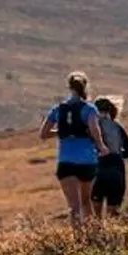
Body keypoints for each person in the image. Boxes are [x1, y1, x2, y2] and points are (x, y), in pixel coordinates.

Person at [39, 71, 109, 231]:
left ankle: (78, 239)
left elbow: (43, 134)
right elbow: (94, 130)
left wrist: (64, 132)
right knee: (86, 201)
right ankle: (93, 235)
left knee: (74, 205)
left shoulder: (58, 109)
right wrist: (101, 146)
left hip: (66, 161)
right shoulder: (89, 109)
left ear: (69, 88)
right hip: (87, 160)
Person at [89, 95, 128, 221]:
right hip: (117, 168)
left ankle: (96, 237)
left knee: (96, 217)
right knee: (113, 216)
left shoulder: (92, 127)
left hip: (97, 169)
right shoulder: (118, 127)